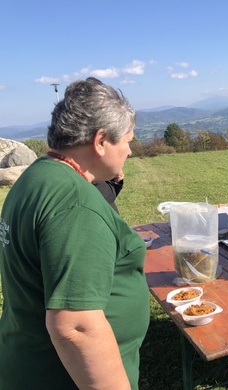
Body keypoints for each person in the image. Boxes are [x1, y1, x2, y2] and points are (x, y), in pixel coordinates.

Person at [0, 77, 150, 389]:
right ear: (100, 141)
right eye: (128, 141)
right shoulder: (75, 204)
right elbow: (77, 327)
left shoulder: (36, 177)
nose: (130, 152)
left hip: (29, 363)